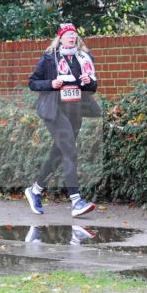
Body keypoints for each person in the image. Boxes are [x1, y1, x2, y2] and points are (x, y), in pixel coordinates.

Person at [23, 23, 98, 217]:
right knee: (70, 150)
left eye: (74, 34)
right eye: (68, 34)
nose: (72, 37)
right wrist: (51, 83)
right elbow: (32, 82)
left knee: (59, 153)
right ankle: (76, 201)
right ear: (60, 38)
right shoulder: (49, 59)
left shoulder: (84, 58)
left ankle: (35, 191)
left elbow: (92, 87)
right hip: (54, 111)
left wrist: (89, 82)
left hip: (75, 111)